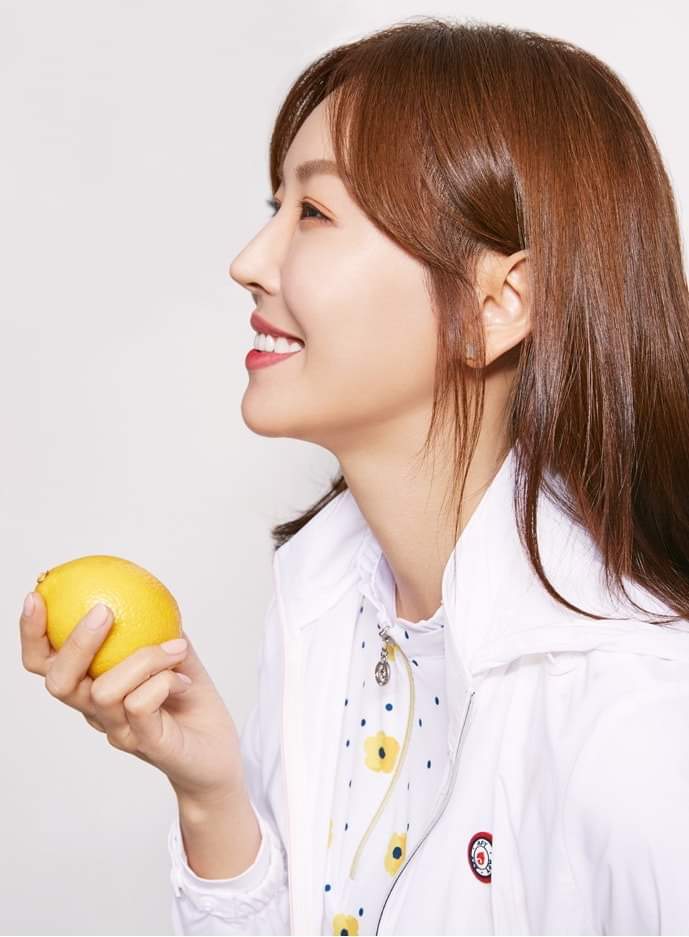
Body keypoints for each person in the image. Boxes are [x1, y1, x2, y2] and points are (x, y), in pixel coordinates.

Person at [20, 16, 689, 936]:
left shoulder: (642, 722)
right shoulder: (327, 602)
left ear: (496, 304)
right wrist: (212, 795)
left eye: (314, 213)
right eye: (275, 207)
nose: (247, 263)